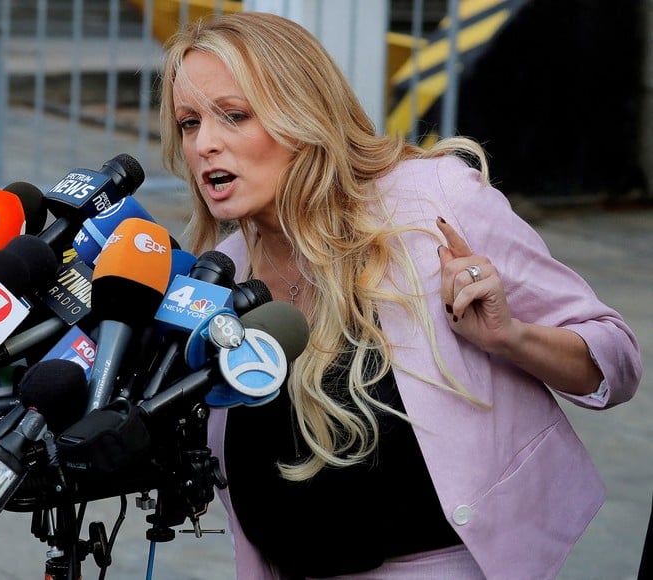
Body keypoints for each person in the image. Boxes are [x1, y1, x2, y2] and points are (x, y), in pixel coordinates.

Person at [157, 10, 643, 580]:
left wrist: (509, 336)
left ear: (302, 114)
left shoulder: (432, 203)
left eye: (233, 116)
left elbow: (614, 359)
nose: (205, 145)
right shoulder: (219, 276)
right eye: (189, 124)